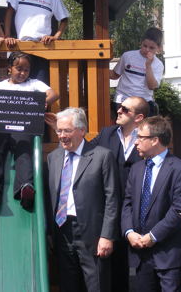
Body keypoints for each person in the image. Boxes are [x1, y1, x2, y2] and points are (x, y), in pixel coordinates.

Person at [46, 107, 119, 292]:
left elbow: (112, 198)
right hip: (62, 231)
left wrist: (107, 236)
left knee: (96, 284)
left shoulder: (102, 156)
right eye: (59, 130)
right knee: (68, 284)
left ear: (82, 130)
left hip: (93, 233)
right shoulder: (53, 157)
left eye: (67, 130)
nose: (62, 135)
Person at [121, 116, 181, 292]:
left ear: (155, 140)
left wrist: (153, 236)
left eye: (140, 137)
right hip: (141, 254)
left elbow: (178, 210)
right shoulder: (136, 169)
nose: (136, 142)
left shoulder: (180, 169)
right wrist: (129, 232)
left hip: (169, 254)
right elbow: (127, 203)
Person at [0, 52, 59, 210]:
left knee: (24, 148)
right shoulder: (0, 86)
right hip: (2, 128)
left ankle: (25, 186)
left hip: (23, 128)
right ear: (9, 69)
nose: (23, 73)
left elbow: (54, 94)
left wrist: (43, 102)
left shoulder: (34, 84)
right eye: (19, 69)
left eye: (26, 70)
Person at [89, 96, 149, 292]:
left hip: (138, 212)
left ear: (139, 117)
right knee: (112, 268)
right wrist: (68, 131)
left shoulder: (148, 139)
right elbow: (86, 152)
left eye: (124, 109)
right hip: (111, 211)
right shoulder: (107, 133)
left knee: (145, 267)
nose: (118, 111)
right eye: (118, 107)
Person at [4, 0, 69, 83]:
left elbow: (64, 19)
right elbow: (9, 12)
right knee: (19, 87)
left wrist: (55, 37)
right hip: (20, 48)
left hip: (42, 48)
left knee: (40, 87)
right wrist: (7, 36)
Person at [109, 27, 164, 117]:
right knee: (125, 129)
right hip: (122, 100)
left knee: (142, 130)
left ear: (158, 48)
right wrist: (98, 67)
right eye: (145, 46)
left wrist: (148, 65)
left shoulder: (158, 65)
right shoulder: (128, 56)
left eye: (151, 48)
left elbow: (152, 86)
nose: (147, 50)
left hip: (144, 103)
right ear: (141, 43)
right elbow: (115, 75)